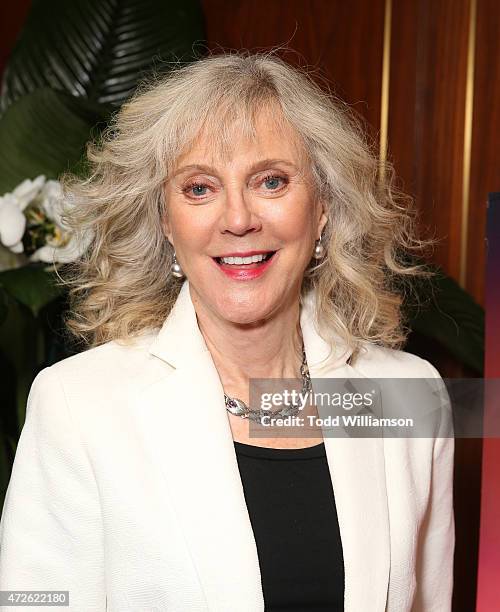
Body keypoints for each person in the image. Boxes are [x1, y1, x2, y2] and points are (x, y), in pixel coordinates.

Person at [0, 51, 454, 611]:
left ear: (324, 209)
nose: (237, 219)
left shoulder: (408, 395)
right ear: (165, 221)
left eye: (271, 181)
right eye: (198, 188)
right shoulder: (78, 404)